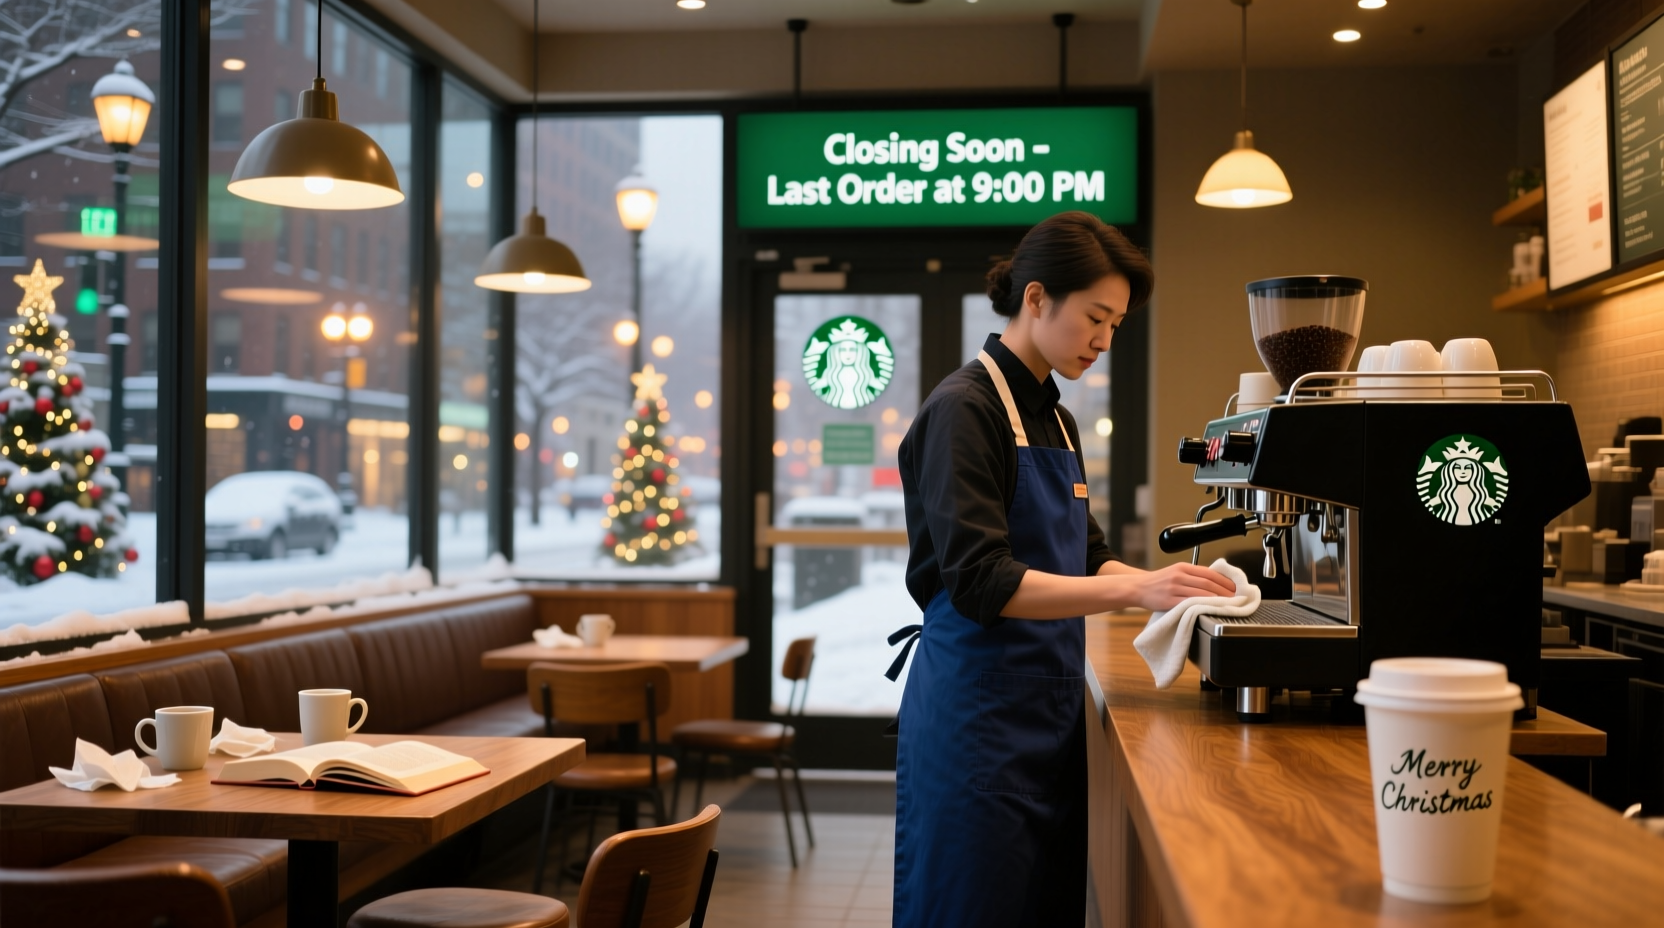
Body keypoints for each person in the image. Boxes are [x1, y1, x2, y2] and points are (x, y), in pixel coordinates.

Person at [889, 211, 1235, 927]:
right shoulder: (965, 409)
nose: (1105, 341)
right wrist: (1138, 587)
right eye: (1096, 318)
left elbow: (1087, 553)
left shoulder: (1056, 416)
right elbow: (983, 579)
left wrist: (1178, 592)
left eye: (1117, 325)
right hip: (975, 720)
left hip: (1046, 719)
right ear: (1038, 297)